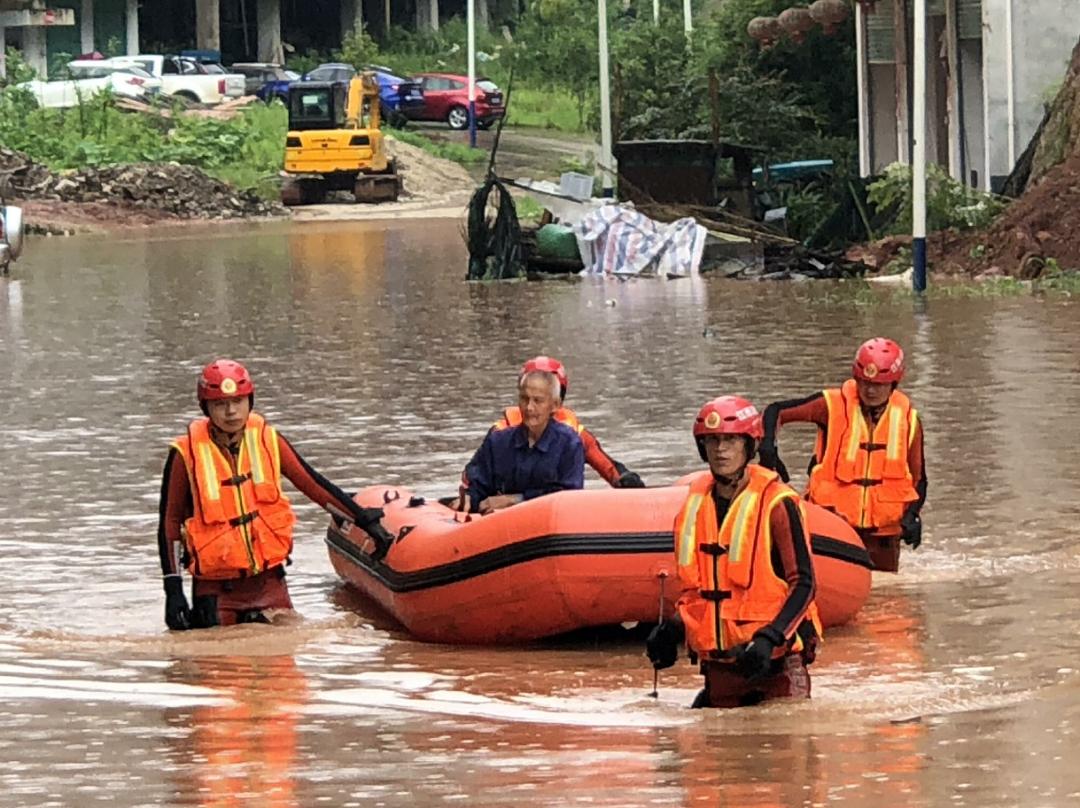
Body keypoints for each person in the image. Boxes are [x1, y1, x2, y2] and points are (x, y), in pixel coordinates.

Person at [157, 359, 394, 631]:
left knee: (285, 665)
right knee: (220, 668)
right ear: (206, 408)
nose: (231, 411)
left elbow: (314, 485)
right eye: (220, 404)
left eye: (238, 401)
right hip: (216, 592)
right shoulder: (184, 454)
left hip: (270, 585)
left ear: (250, 401)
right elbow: (170, 524)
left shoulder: (268, 441)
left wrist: (365, 522)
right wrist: (172, 589)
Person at [646, 396, 821, 708]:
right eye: (712, 441)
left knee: (781, 750)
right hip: (720, 672)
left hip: (774, 669)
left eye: (730, 440)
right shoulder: (694, 509)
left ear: (749, 444)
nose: (720, 449)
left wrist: (771, 638)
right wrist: (672, 629)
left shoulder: (778, 505)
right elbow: (699, 592)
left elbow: (804, 584)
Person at [757, 338, 926, 572]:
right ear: (856, 378)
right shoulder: (831, 406)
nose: (870, 390)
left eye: (879, 384)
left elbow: (919, 480)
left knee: (888, 603)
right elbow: (776, 411)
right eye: (865, 382)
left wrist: (913, 516)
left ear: (894, 383)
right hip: (831, 530)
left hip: (883, 538)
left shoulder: (909, 420)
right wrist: (768, 447)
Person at [488, 357, 644, 487]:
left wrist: (626, 479)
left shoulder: (574, 435)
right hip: (505, 509)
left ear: (557, 401)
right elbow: (475, 478)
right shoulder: (501, 432)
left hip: (557, 507)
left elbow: (608, 468)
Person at [461, 367, 584, 514]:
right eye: (524, 399)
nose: (529, 408)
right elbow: (478, 485)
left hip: (550, 524)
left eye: (538, 401)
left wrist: (516, 500)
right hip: (499, 526)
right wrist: (469, 498)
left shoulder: (569, 444)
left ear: (555, 405)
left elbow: (569, 497)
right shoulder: (497, 442)